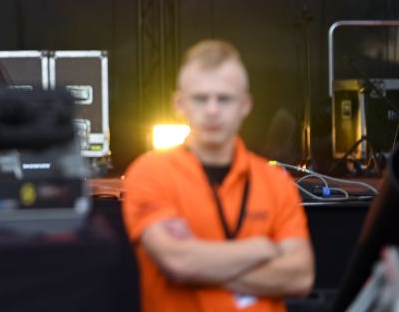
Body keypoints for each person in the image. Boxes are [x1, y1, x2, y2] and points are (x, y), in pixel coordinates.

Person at [122, 40, 314, 312]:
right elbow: (178, 263)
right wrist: (262, 248)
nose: (212, 110)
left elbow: (300, 277)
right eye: (200, 98)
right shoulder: (150, 172)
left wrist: (199, 265)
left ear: (245, 105)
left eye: (224, 99)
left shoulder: (275, 180)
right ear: (179, 103)